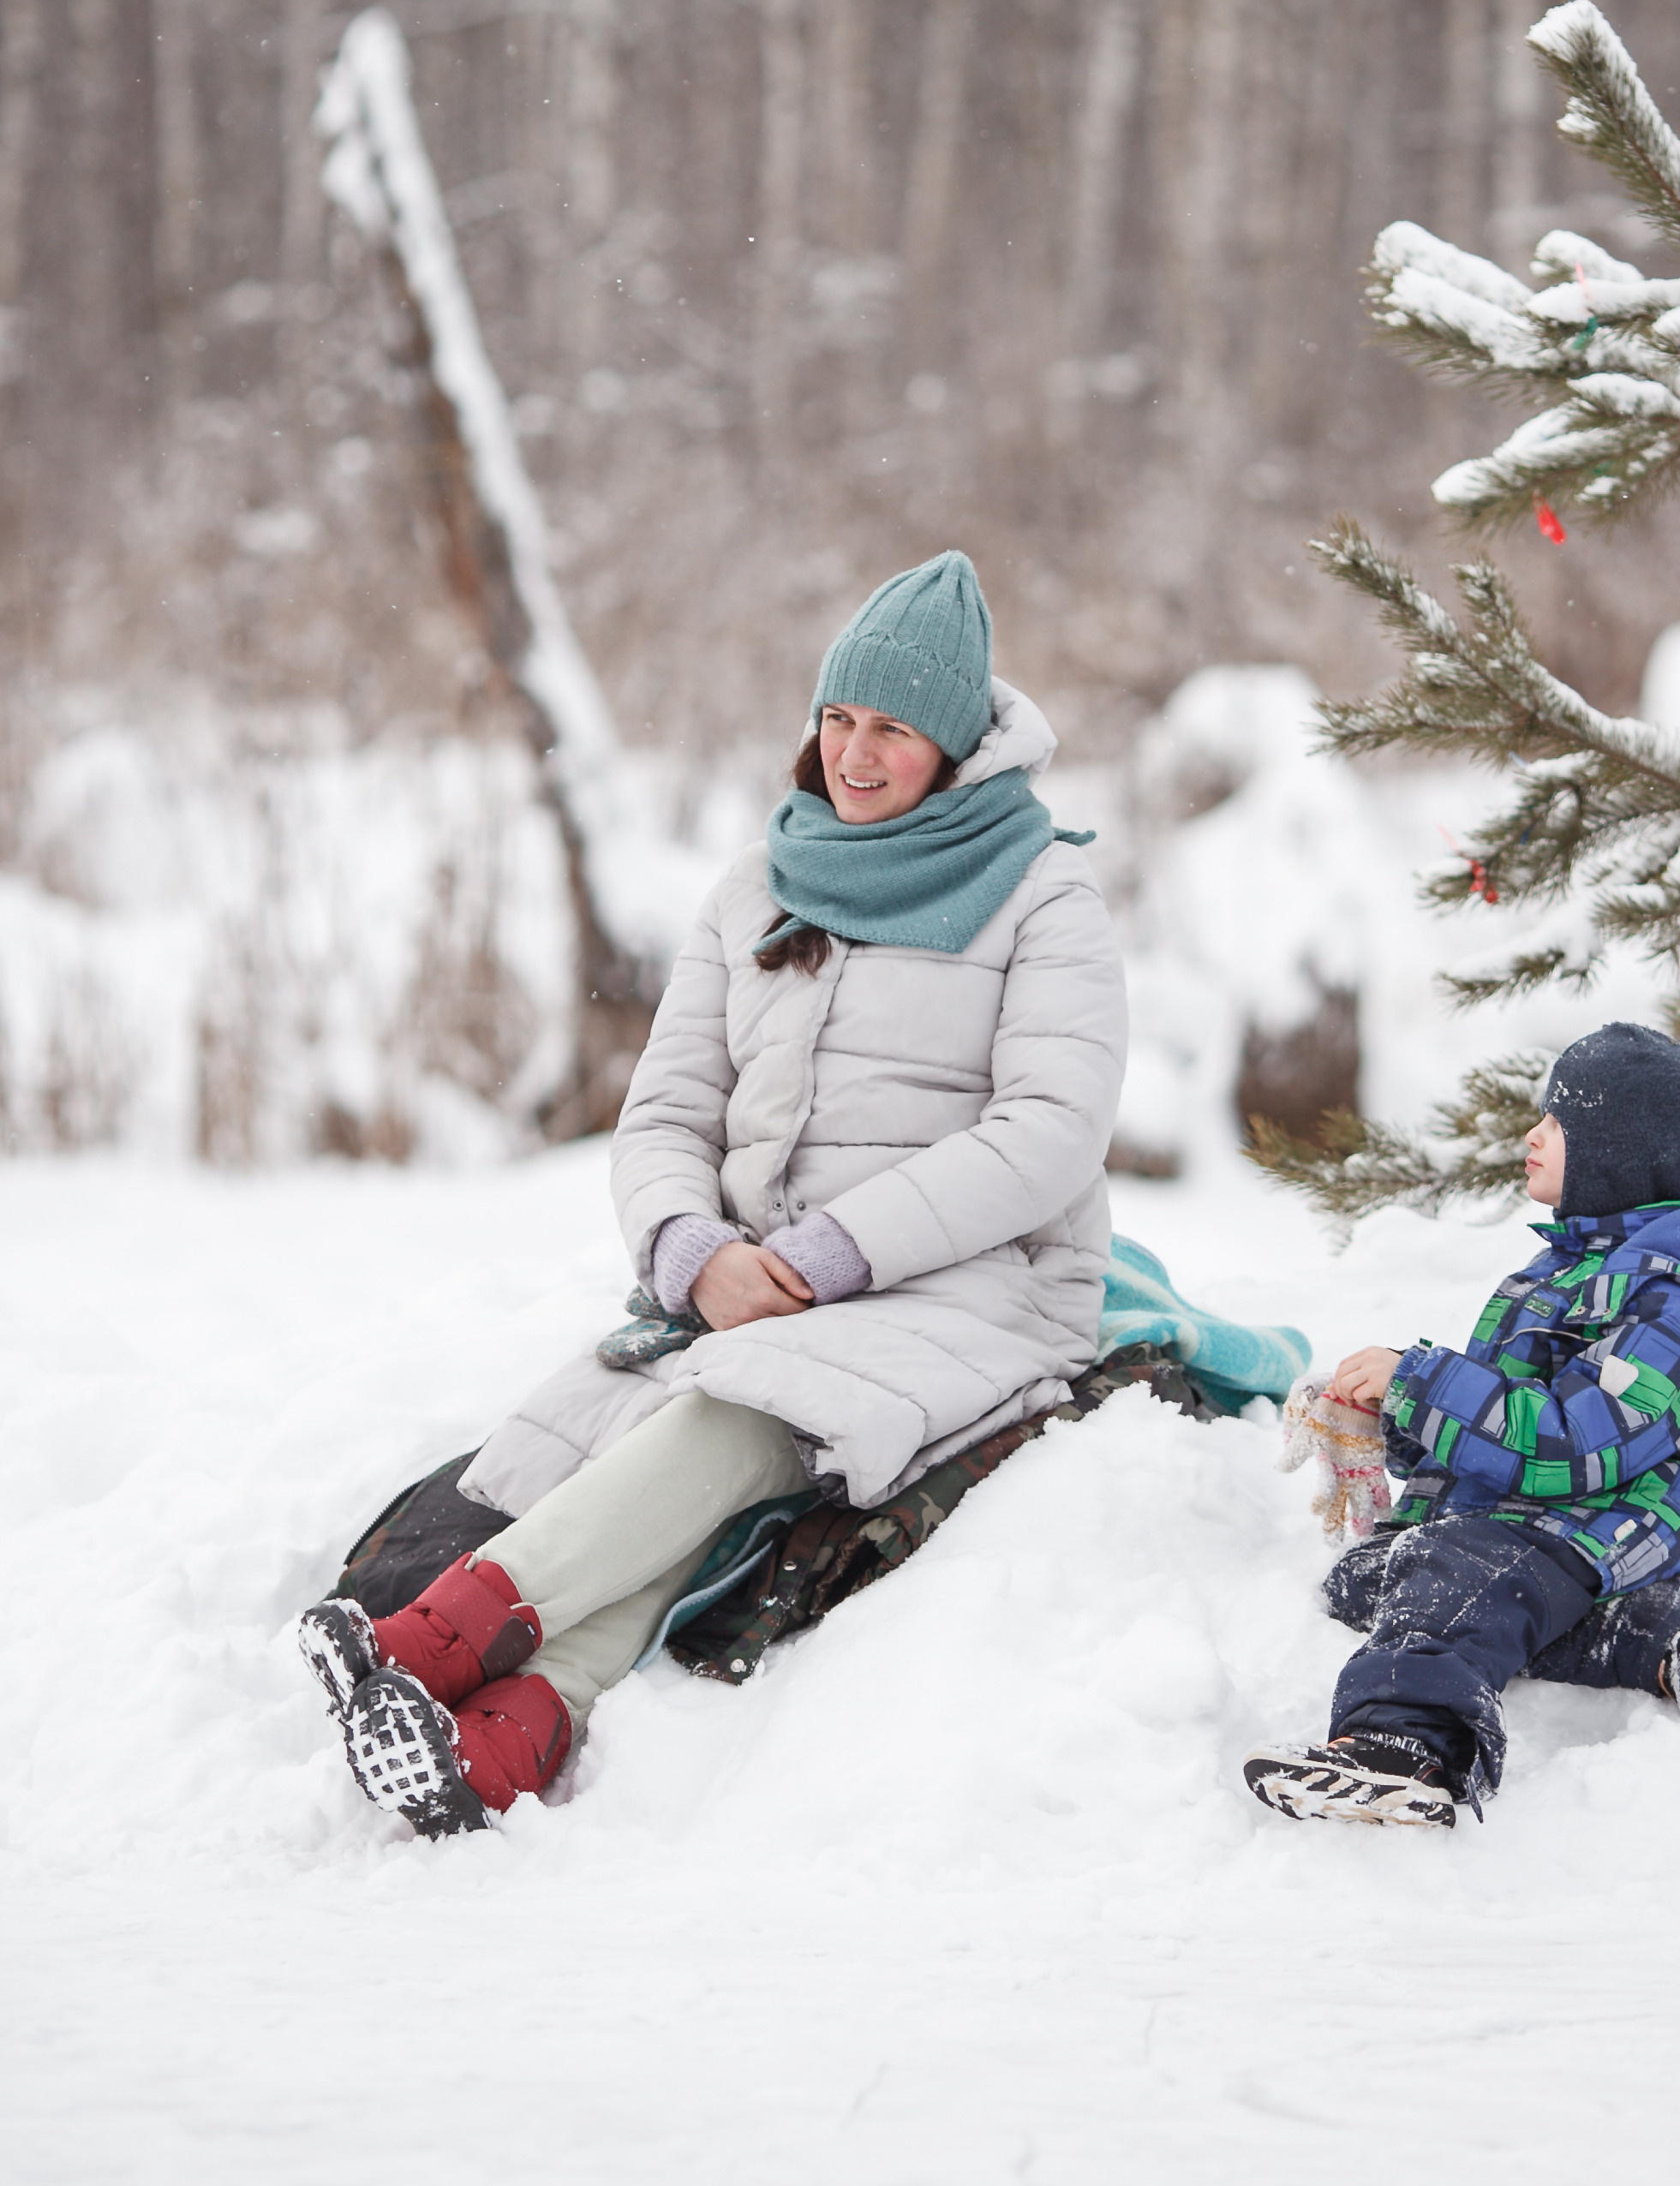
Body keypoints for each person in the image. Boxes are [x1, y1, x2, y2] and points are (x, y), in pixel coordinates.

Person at [297, 550, 1128, 1835]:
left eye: (894, 729)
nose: (855, 754)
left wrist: (824, 1260)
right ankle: (502, 1745)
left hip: (974, 1284)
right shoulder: (757, 885)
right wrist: (689, 1248)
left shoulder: (1045, 890)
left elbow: (1050, 1135)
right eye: (838, 719)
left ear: (958, 745)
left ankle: (427, 1645)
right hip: (748, 1286)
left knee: (738, 1417)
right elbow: (666, 1112)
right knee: (682, 1455)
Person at [1245, 1021, 1680, 1831]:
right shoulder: (1559, 1272)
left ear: (1616, 1154)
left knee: (1453, 1579)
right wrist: (1398, 1417)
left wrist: (1420, 1382)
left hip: (1627, 1510)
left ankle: (1403, 1750)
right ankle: (1636, 1631)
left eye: (1557, 1124)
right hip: (1553, 1509)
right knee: (1370, 1576)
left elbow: (1573, 1443)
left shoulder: (1675, 1302)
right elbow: (1509, 1420)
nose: (1532, 1135)